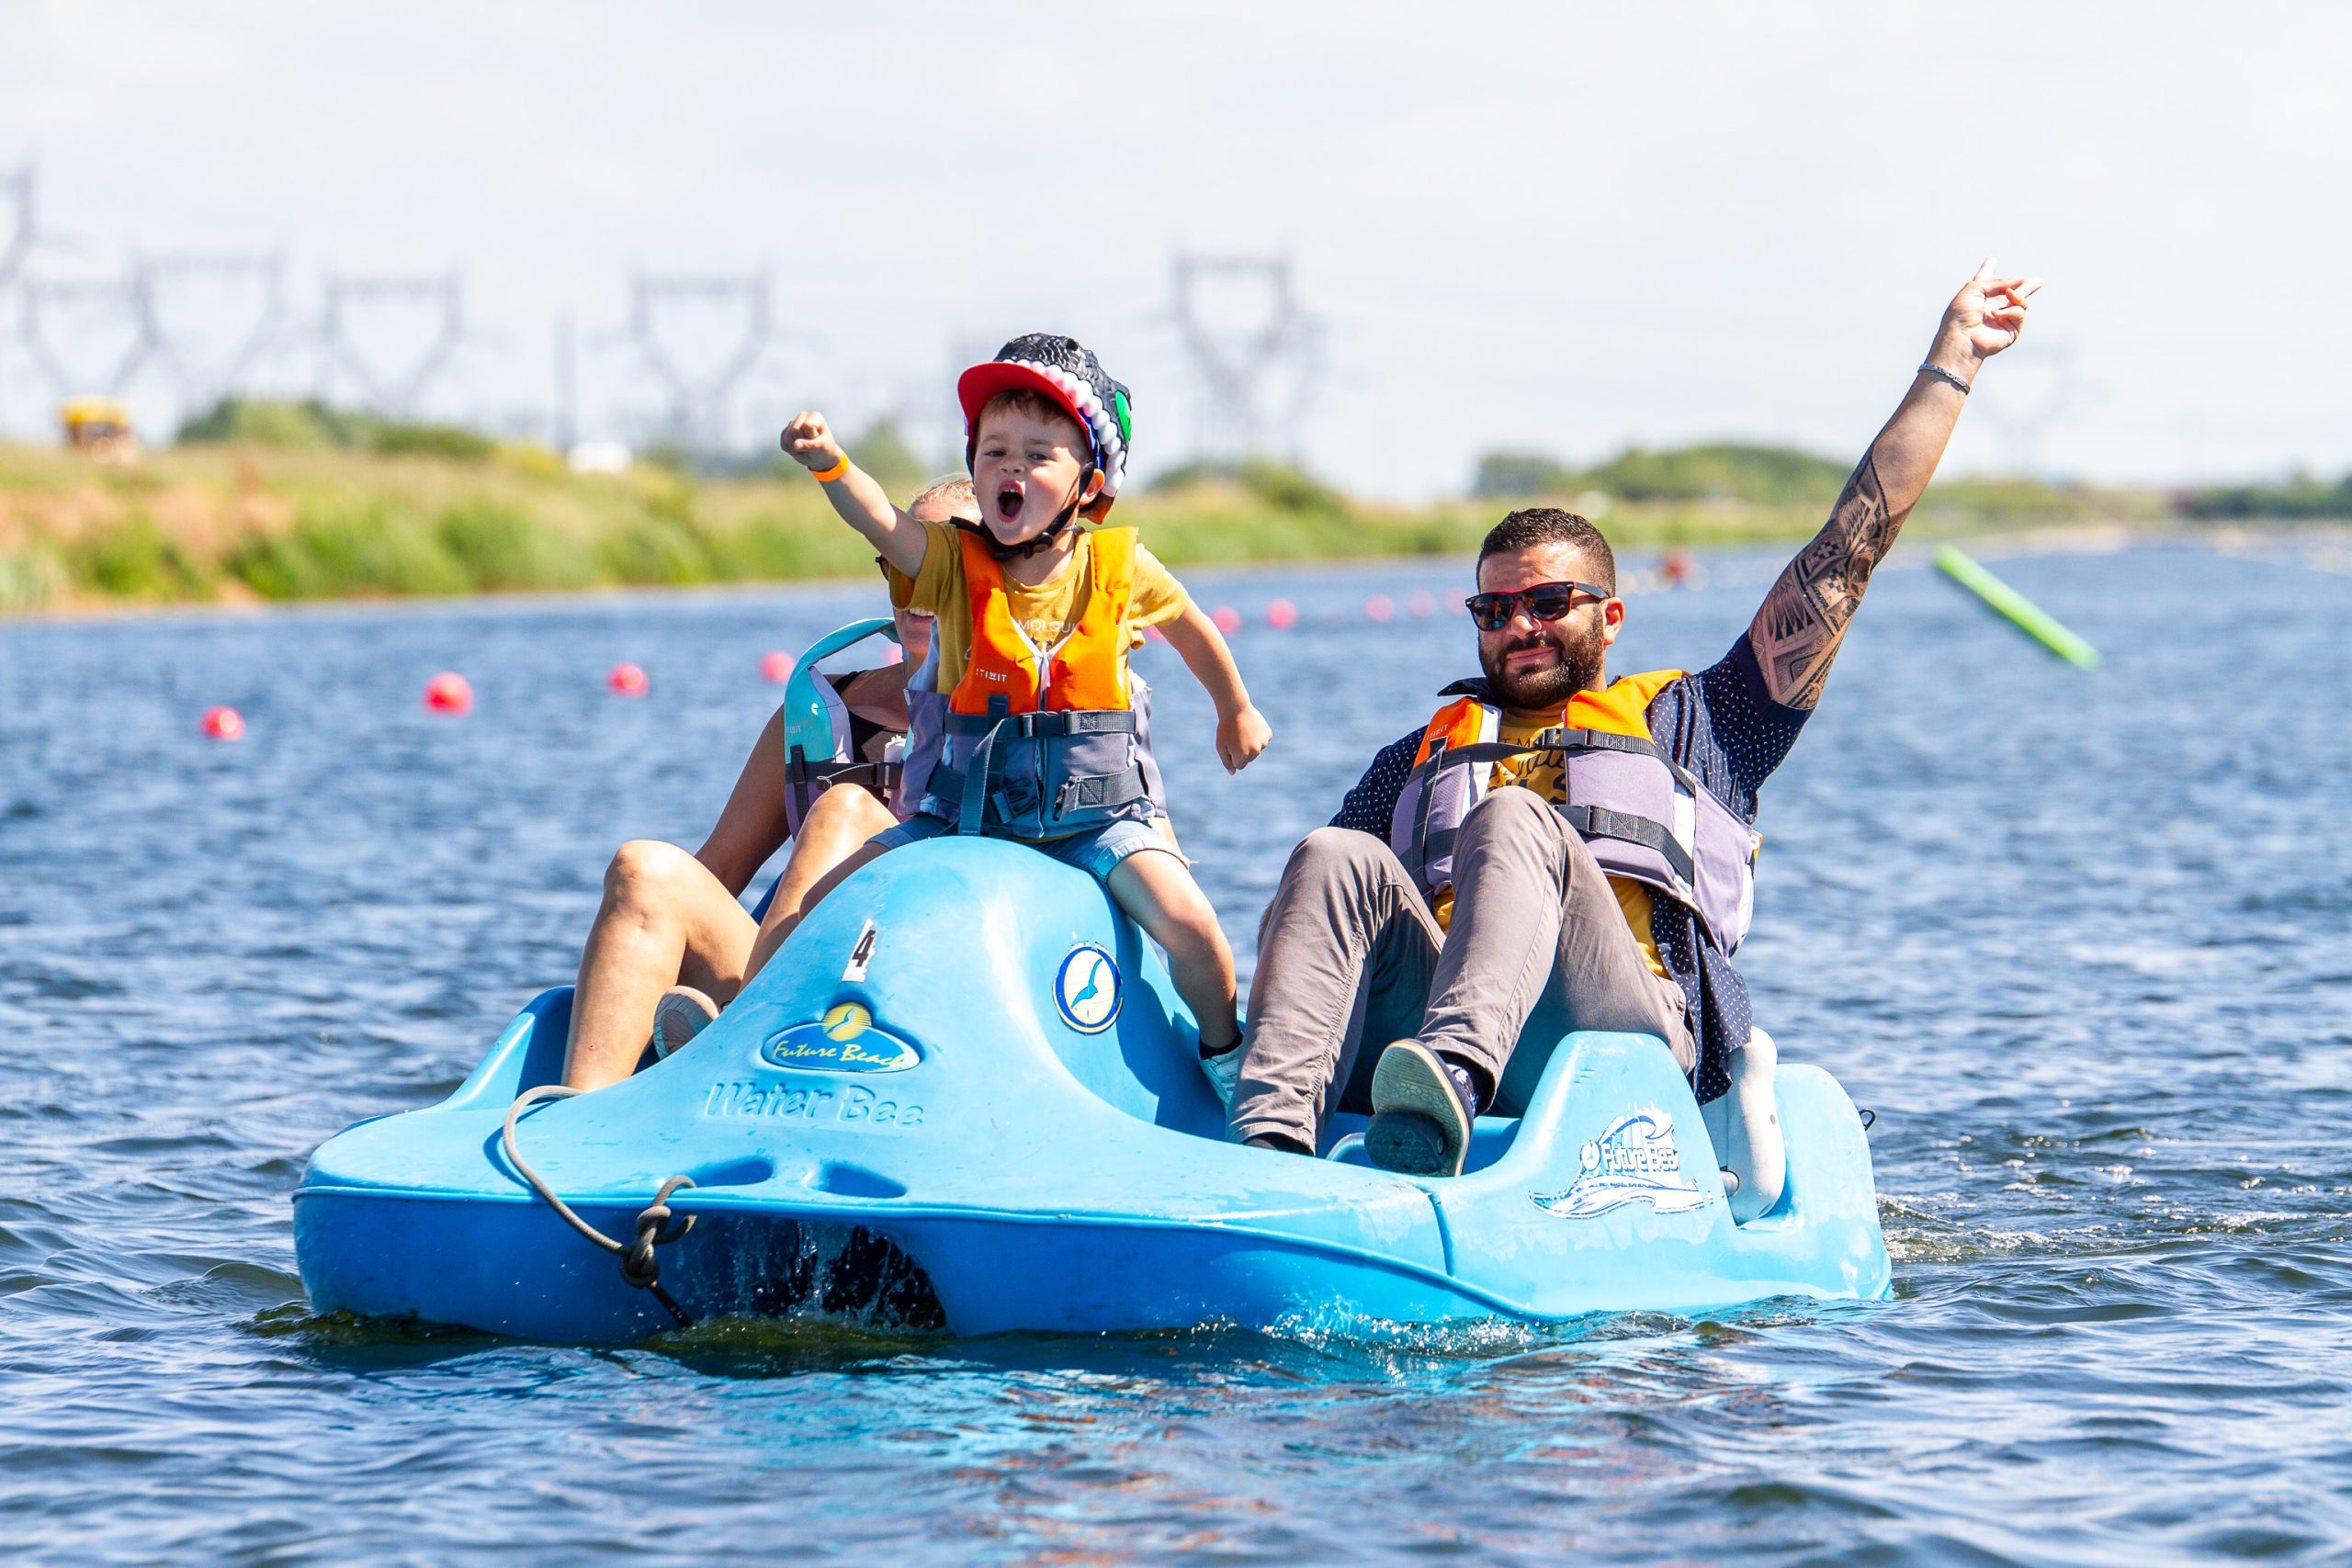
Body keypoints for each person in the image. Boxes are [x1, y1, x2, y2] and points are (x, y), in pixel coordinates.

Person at [1220, 259, 2041, 1206]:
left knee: (1515, 822)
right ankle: (1270, 1155)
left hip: (1615, 1041)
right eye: (1495, 608)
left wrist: (1952, 362)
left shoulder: (1701, 722)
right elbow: (1322, 934)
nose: (1519, 625)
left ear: (1608, 618)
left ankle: (1445, 1086)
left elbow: (1846, 555)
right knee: (1331, 855)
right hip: (1427, 1028)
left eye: (1547, 602)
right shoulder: (1415, 758)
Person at [780, 333, 1272, 1055]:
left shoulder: (1120, 566)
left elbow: (1192, 630)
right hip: (958, 818)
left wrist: (1235, 708)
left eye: (1038, 454)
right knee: (822, 905)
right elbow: (880, 520)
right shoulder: (949, 562)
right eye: (994, 451)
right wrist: (832, 466)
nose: (1011, 465)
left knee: (1193, 928)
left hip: (1097, 824)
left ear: (1089, 482)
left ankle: (1228, 1062)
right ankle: (753, 1026)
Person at [558, 476, 980, 1091]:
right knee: (644, 870)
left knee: (843, 810)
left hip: (936, 995)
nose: (917, 589)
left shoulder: (1023, 713)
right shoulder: (822, 704)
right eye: (901, 563)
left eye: (940, 563)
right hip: (793, 978)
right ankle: (570, 1133)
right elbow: (718, 871)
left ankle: (732, 1048)